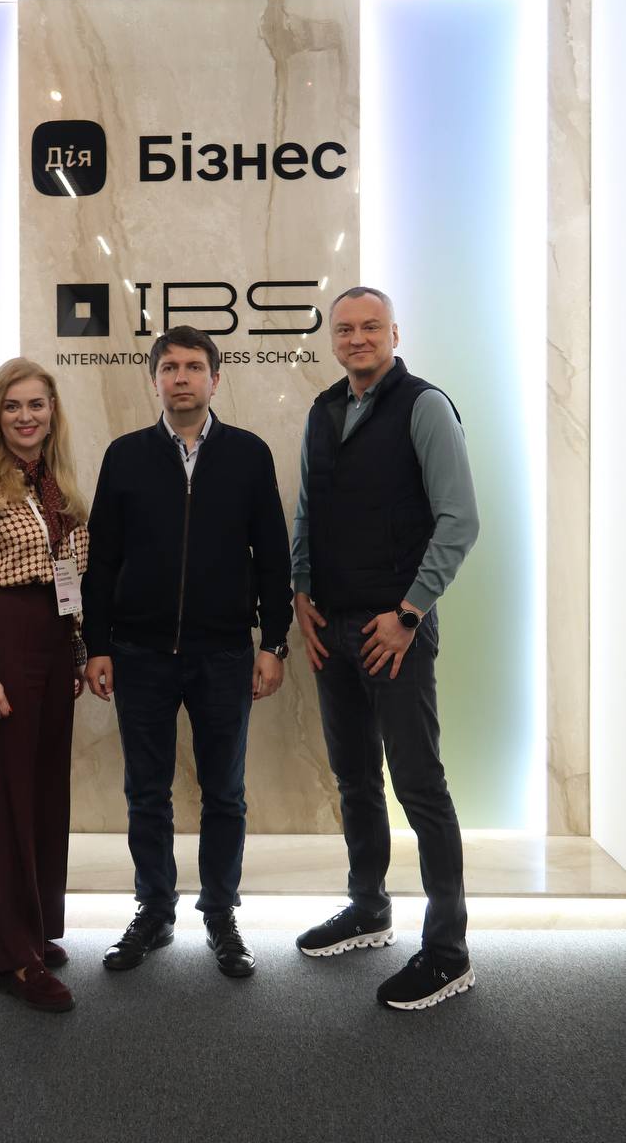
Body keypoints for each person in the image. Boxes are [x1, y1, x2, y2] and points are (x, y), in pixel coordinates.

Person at [82, 325, 292, 978]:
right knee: (146, 792)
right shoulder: (125, 455)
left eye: (193, 366)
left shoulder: (248, 454)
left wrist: (274, 642)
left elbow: (273, 556)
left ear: (214, 379)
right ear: (155, 380)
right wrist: (97, 644)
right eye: (169, 367)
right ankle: (154, 911)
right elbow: (101, 560)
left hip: (223, 653)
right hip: (139, 653)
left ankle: (221, 914)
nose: (181, 377)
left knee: (224, 793)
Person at [292, 287, 480, 1011]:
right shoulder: (322, 411)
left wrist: (407, 613)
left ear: (394, 334)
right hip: (332, 629)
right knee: (354, 781)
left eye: (372, 326)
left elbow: (459, 520)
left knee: (420, 788)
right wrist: (300, 592)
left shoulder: (424, 406)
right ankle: (368, 909)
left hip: (394, 632)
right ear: (333, 339)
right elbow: (307, 510)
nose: (358, 338)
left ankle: (448, 952)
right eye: (345, 329)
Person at [0, 357, 88, 1012]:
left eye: (36, 404)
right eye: (12, 406)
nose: (25, 416)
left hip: (52, 643)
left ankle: (32, 928)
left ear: (52, 413)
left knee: (42, 792)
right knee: (0, 802)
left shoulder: (59, 488)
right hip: (2, 640)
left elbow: (73, 579)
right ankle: (11, 957)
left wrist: (77, 650)